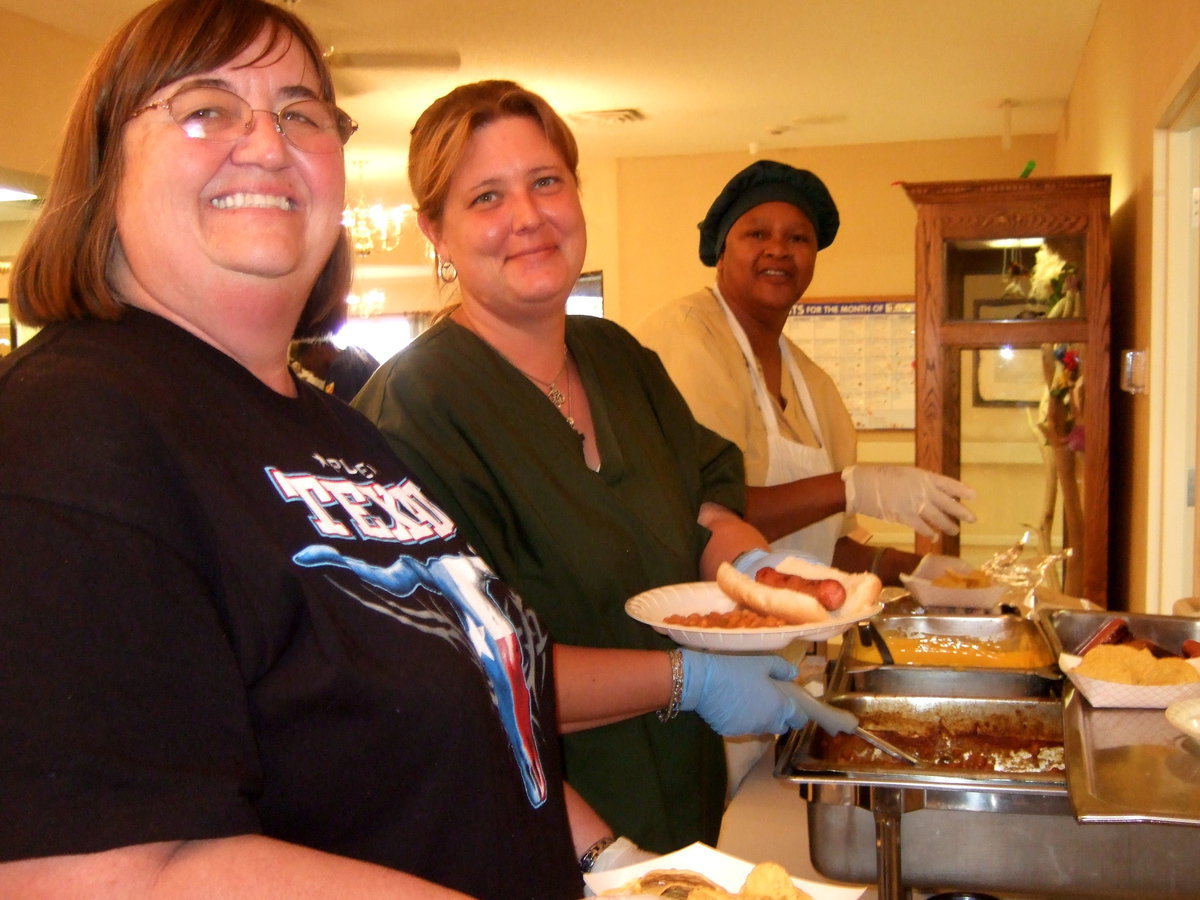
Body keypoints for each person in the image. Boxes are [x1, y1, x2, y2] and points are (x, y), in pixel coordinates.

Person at [0, 3, 611, 896]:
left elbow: (480, 711)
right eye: (206, 107)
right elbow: (96, 878)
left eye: (300, 113)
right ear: (104, 166)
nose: (265, 142)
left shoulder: (337, 431)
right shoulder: (70, 433)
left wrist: (610, 861)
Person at [353, 81, 831, 854]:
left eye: (546, 182)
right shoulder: (414, 413)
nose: (529, 217)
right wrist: (690, 681)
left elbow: (705, 491)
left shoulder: (618, 360)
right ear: (433, 231)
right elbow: (462, 675)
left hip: (683, 809)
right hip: (537, 838)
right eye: (485, 197)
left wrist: (747, 566)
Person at [635, 160, 977, 586]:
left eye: (797, 238)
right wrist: (849, 487)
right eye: (757, 233)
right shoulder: (687, 335)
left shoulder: (813, 384)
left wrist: (917, 572)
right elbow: (700, 512)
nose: (778, 249)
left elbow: (821, 546)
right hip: (694, 634)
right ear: (721, 251)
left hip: (784, 639)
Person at [289, 335, 379, 402]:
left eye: (309, 367)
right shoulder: (359, 354)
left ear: (317, 346)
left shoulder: (340, 371)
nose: (314, 374)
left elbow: (339, 418)